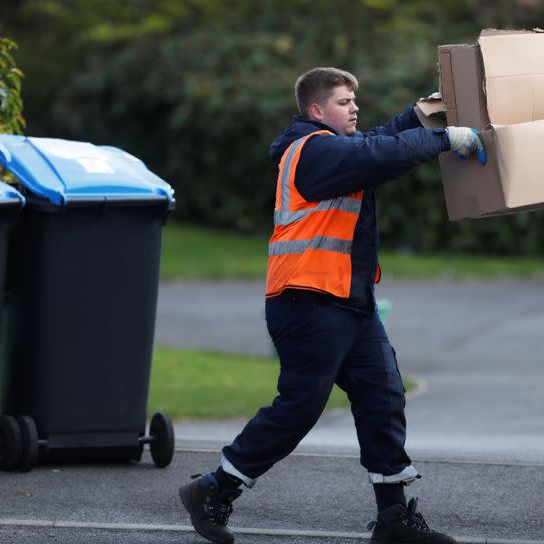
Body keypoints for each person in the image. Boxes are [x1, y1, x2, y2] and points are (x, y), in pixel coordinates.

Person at [179, 67, 486, 544]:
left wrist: (419, 115)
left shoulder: (336, 149)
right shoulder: (314, 151)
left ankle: (394, 519)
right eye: (344, 102)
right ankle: (213, 489)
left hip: (347, 299)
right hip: (307, 298)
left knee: (382, 397)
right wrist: (445, 138)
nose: (355, 108)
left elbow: (379, 140)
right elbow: (378, 155)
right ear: (317, 111)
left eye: (354, 101)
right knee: (300, 406)